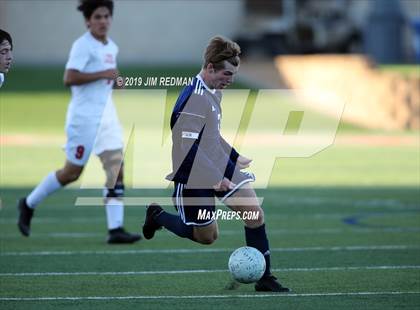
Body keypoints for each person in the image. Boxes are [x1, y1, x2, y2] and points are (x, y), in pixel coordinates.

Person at [143, 36, 290, 292]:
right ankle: (157, 216)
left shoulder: (214, 91)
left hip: (218, 164)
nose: (230, 80)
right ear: (210, 67)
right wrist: (213, 177)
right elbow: (188, 148)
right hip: (192, 175)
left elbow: (212, 135)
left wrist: (233, 157)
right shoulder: (194, 99)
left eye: (233, 74)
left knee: (254, 214)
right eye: (226, 73)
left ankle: (265, 278)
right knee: (207, 237)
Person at [17, 0, 141, 244]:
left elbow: (108, 76)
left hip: (107, 116)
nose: (103, 21)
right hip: (83, 119)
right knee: (72, 173)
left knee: (117, 169)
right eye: (98, 17)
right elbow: (69, 77)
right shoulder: (82, 46)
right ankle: (28, 203)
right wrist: (103, 75)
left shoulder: (111, 47)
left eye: (106, 16)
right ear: (88, 21)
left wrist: (116, 81)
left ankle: (115, 229)